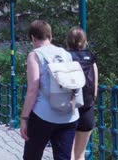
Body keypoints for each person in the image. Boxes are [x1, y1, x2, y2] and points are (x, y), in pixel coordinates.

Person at [20, 20, 79, 160]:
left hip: (43, 115)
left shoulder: (35, 55)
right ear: (50, 37)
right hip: (69, 115)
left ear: (33, 38)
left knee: (32, 156)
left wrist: (24, 118)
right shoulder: (66, 54)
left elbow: (33, 89)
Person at [66, 27, 98, 160]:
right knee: (81, 154)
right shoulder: (90, 57)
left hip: (68, 108)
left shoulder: (65, 56)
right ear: (84, 41)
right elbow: (95, 85)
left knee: (69, 153)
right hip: (87, 107)